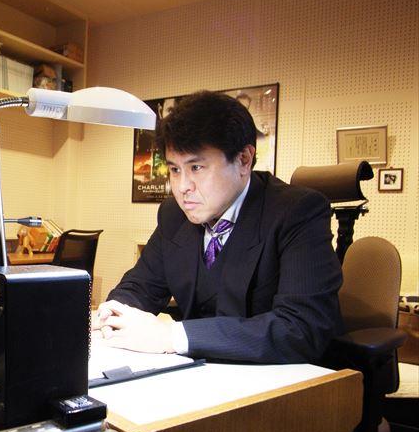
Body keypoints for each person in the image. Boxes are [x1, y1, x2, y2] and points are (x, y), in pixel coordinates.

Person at [94, 90, 343, 364]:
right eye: (175, 170)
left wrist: (171, 336)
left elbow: (301, 328)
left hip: (281, 375)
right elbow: (140, 286)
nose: (182, 187)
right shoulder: (174, 214)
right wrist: (113, 315)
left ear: (244, 160)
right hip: (200, 372)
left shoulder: (296, 211)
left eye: (197, 168)